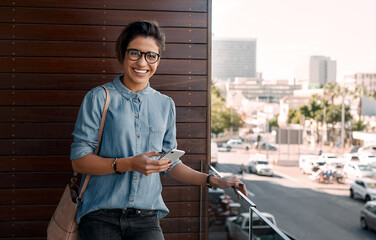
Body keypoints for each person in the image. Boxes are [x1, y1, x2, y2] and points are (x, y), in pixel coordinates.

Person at [70, 20, 247, 240]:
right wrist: (130, 164)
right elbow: (79, 161)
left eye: (151, 55)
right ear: (123, 54)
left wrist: (215, 181)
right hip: (100, 217)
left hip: (146, 219)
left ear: (158, 59)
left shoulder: (165, 105)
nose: (142, 62)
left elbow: (169, 163)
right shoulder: (98, 98)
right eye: (135, 53)